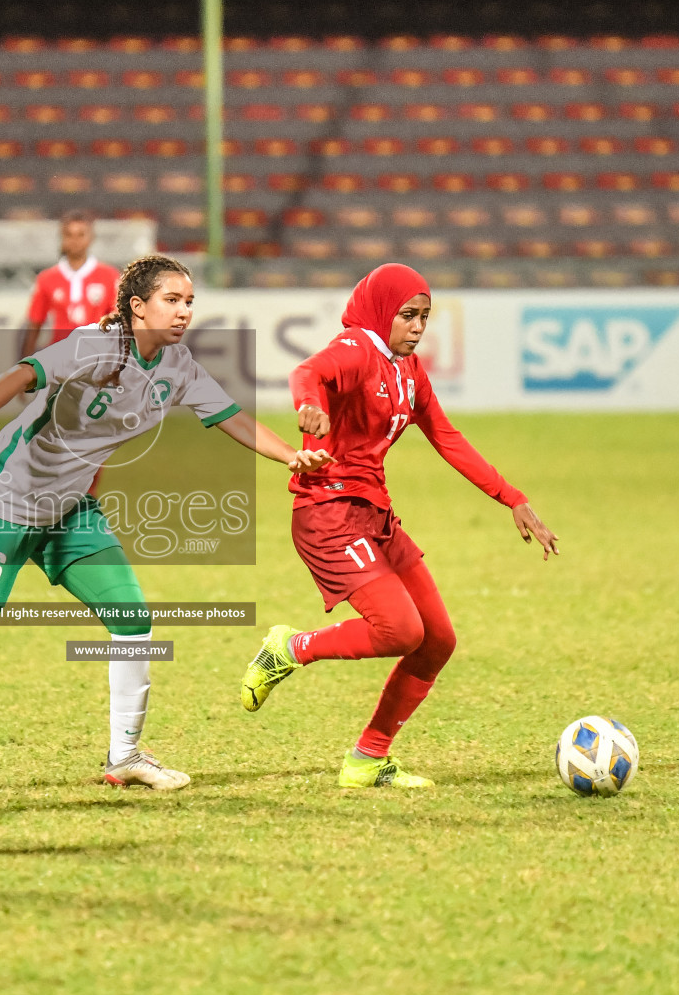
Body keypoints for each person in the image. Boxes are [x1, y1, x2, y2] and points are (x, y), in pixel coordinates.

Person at [0, 254, 332, 794]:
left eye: (189, 301)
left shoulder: (179, 366)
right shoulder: (94, 346)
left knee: (132, 622)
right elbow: (24, 373)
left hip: (68, 509)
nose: (184, 311)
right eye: (172, 300)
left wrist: (290, 456)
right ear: (138, 307)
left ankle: (124, 756)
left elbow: (231, 417)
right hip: (2, 503)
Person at [238, 263, 560, 789]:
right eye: (407, 315)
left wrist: (513, 498)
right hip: (329, 514)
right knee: (400, 630)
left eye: (424, 317)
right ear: (383, 312)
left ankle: (368, 758)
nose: (416, 326)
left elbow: (447, 437)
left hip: (375, 516)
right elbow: (307, 374)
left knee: (437, 641)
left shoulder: (409, 372)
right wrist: (310, 407)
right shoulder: (358, 348)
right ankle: (288, 649)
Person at [19, 209, 120, 359]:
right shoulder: (47, 278)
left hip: (98, 358)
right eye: (69, 235)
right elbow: (35, 324)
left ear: (91, 237)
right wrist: (25, 365)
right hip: (60, 357)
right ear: (62, 238)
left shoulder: (109, 276)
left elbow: (119, 321)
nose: (75, 240)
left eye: (81, 234)